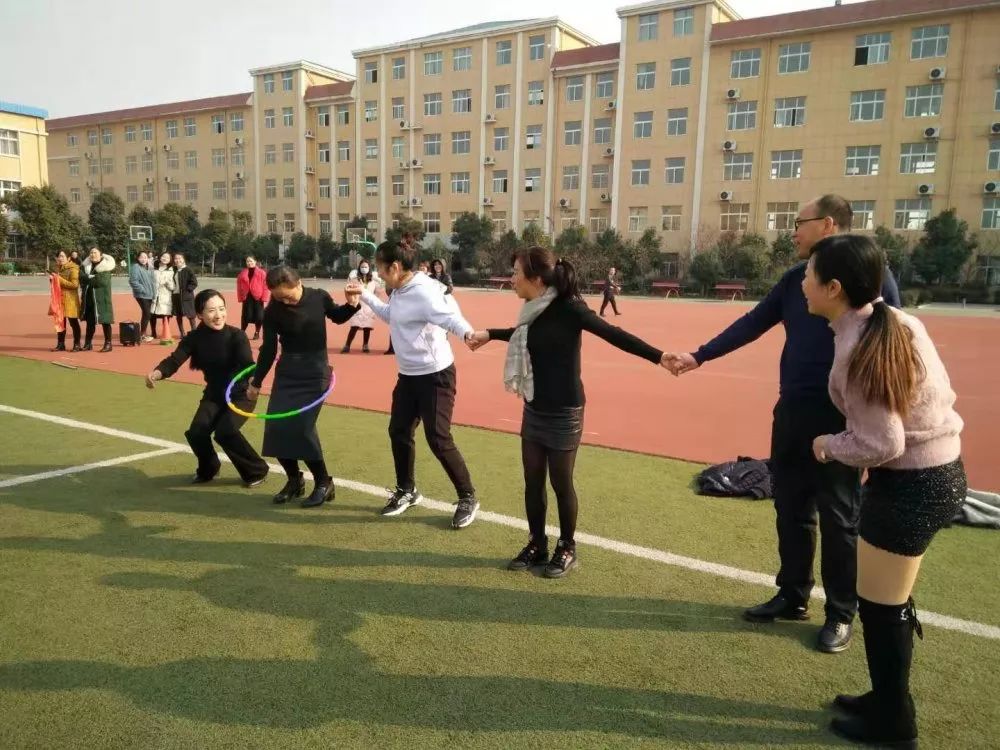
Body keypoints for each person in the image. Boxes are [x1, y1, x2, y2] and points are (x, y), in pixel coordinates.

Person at [664, 195, 902, 654]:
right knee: (790, 507)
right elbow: (754, 321)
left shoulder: (872, 279)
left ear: (827, 224)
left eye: (799, 223)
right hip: (792, 410)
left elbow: (891, 343)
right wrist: (699, 356)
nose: (792, 232)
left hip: (842, 419)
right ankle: (793, 595)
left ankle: (840, 612)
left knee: (839, 516)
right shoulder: (797, 280)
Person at [802, 234, 965, 748]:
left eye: (808, 275)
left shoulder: (859, 347)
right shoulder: (896, 321)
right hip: (937, 473)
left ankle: (895, 723)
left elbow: (882, 441)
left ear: (833, 287)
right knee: (885, 600)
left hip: (912, 485)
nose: (802, 283)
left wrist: (827, 446)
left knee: (880, 605)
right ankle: (886, 700)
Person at [467, 247, 673, 577]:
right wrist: (490, 334)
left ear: (536, 279)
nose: (512, 279)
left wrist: (659, 356)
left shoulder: (570, 308)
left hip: (565, 411)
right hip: (535, 405)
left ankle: (567, 547)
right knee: (533, 480)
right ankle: (537, 544)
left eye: (516, 273)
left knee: (561, 482)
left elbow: (613, 334)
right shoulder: (532, 310)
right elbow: (523, 334)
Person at [361, 240, 481, 528]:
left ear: (394, 267)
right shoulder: (400, 290)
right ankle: (407, 490)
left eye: (380, 268)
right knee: (399, 431)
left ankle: (467, 497)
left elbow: (449, 317)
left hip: (435, 376)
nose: (377, 273)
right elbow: (392, 316)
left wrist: (468, 334)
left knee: (438, 438)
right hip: (408, 376)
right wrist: (365, 296)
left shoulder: (424, 291)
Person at [245, 267, 362, 508]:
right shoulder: (273, 310)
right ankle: (294, 480)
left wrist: (351, 305)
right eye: (279, 298)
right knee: (276, 426)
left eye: (288, 296)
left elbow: (338, 316)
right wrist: (256, 382)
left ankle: (323, 482)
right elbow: (268, 349)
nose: (284, 302)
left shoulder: (318, 297)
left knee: (302, 427)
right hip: (288, 372)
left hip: (315, 373)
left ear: (299, 283)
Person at [146, 289, 270, 487]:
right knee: (197, 432)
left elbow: (247, 365)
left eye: (221, 309)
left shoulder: (237, 336)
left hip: (241, 394)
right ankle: (209, 468)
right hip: (214, 395)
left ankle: (257, 470)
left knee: (225, 432)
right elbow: (175, 360)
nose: (218, 315)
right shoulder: (194, 338)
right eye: (211, 311)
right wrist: (157, 373)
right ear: (200, 314)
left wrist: (254, 382)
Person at [79, 247, 115, 353]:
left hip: (102, 299)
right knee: (90, 323)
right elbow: (81, 278)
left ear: (100, 254)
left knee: (105, 321)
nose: (92, 254)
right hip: (89, 298)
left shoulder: (105, 267)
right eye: (91, 252)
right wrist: (89, 278)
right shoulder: (86, 266)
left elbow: (101, 282)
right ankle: (88, 343)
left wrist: (88, 278)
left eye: (95, 252)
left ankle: (108, 344)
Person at [341, 259, 379, 353]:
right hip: (357, 305)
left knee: (367, 327)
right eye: (362, 267)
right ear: (359, 268)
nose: (364, 268)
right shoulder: (355, 279)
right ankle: (347, 345)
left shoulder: (373, 281)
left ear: (369, 268)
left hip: (369, 307)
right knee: (354, 326)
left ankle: (365, 345)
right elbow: (349, 289)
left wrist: (374, 304)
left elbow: (376, 293)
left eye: (366, 267)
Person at [51, 250, 82, 352]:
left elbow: (74, 285)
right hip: (59, 299)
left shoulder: (73, 268)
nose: (60, 258)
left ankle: (77, 344)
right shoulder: (58, 269)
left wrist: (58, 279)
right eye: (59, 256)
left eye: (62, 256)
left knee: (73, 323)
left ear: (68, 258)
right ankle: (61, 344)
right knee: (60, 323)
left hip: (70, 300)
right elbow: (57, 284)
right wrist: (53, 280)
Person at [236, 255, 269, 341]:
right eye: (247, 261)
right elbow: (239, 286)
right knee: (246, 316)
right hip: (247, 297)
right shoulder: (242, 273)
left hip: (258, 298)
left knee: (259, 316)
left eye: (251, 261)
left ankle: (257, 332)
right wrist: (240, 297)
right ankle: (242, 332)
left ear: (255, 262)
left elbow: (265, 286)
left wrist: (264, 297)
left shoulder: (262, 273)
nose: (249, 263)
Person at [128, 250, 157, 342]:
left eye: (145, 257)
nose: (143, 259)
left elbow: (153, 282)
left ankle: (143, 334)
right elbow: (133, 281)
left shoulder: (149, 268)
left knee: (146, 314)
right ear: (138, 258)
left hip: (150, 294)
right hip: (141, 295)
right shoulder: (136, 267)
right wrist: (142, 290)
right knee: (147, 313)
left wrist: (154, 293)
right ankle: (142, 334)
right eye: (141, 257)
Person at [152, 251, 176, 342]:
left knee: (165, 314)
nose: (165, 258)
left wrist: (167, 282)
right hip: (154, 294)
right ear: (160, 257)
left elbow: (173, 287)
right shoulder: (154, 269)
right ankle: (153, 332)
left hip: (165, 295)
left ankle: (165, 332)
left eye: (167, 257)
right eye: (163, 256)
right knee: (152, 314)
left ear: (170, 260)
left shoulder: (171, 271)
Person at [172, 253, 198, 336]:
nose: (178, 260)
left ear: (183, 260)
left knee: (191, 315)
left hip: (186, 296)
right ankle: (182, 333)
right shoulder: (173, 270)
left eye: (180, 258)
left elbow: (194, 283)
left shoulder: (188, 270)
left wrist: (187, 290)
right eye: (176, 258)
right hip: (176, 295)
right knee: (179, 315)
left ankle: (194, 333)